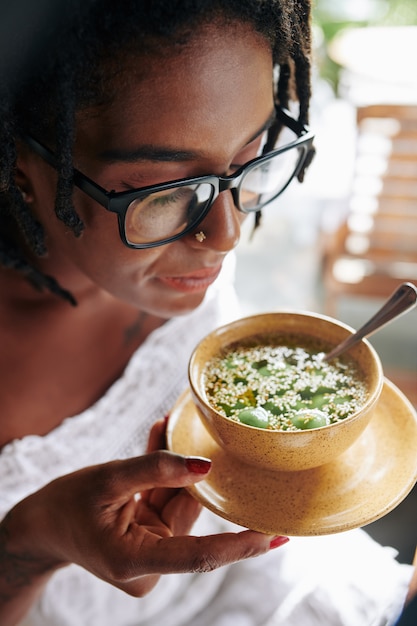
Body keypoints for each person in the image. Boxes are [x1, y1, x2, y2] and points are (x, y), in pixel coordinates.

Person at [0, 1, 415, 624]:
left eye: (249, 159)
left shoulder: (171, 256)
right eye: (167, 192)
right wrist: (29, 545)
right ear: (24, 169)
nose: (225, 235)